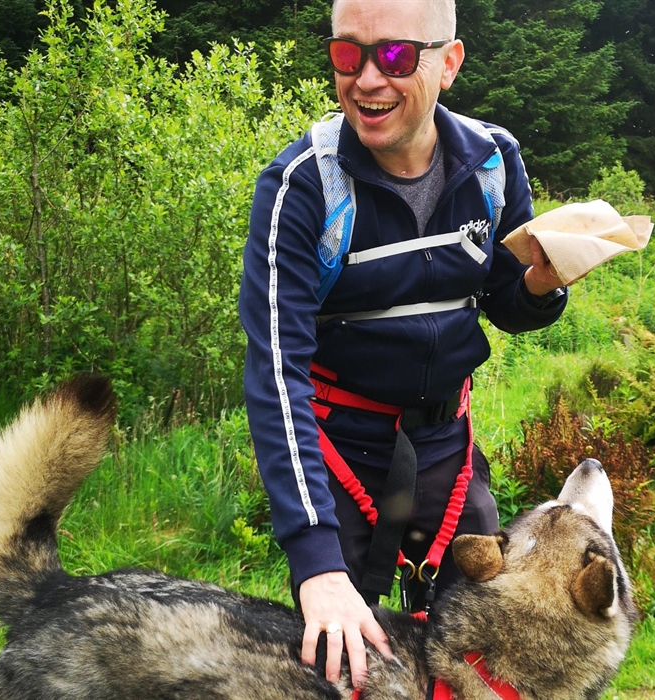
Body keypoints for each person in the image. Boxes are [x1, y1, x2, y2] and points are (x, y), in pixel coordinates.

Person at [238, 0, 567, 689]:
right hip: (341, 451)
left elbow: (507, 303)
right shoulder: (301, 185)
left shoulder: (493, 161)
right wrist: (315, 559)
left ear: (447, 63)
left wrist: (540, 285)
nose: (365, 79)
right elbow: (276, 375)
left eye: (392, 56)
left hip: (448, 447)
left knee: (479, 655)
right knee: (339, 664)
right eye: (345, 54)